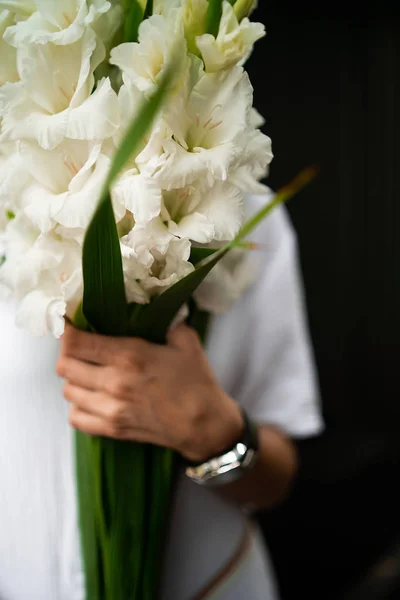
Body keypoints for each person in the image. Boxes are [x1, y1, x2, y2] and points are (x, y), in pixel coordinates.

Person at [0, 195, 323, 600]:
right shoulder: (14, 193)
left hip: (210, 585)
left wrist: (216, 434)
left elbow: (276, 480)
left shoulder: (245, 205)